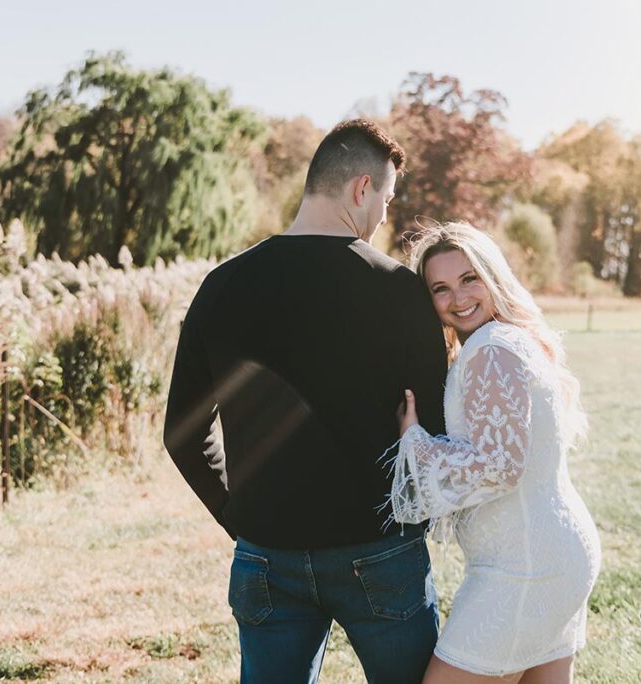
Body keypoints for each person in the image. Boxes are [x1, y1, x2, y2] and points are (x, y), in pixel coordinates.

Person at [163, 119, 449, 683]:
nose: (385, 215)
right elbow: (433, 427)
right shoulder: (399, 291)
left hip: (266, 554)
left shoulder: (221, 286)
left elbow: (182, 432)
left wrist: (242, 520)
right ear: (361, 188)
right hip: (381, 551)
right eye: (387, 199)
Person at [386, 222, 602, 683]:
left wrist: (415, 442)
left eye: (469, 279)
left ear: (493, 275)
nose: (458, 298)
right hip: (553, 551)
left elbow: (499, 467)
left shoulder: (490, 350)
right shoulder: (509, 339)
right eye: (440, 288)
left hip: (525, 568)